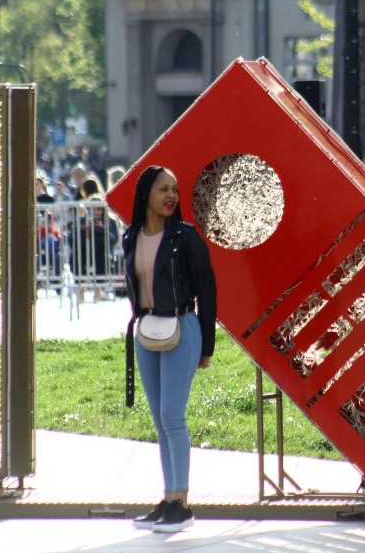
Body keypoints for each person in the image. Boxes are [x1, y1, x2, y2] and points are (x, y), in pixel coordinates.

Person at [122, 165, 217, 533]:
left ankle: (182, 504)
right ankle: (168, 498)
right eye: (163, 189)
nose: (171, 196)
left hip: (182, 327)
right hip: (147, 330)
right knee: (160, 420)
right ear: (146, 193)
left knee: (172, 415)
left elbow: (207, 292)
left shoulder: (186, 237)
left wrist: (206, 347)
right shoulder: (131, 237)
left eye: (174, 190)